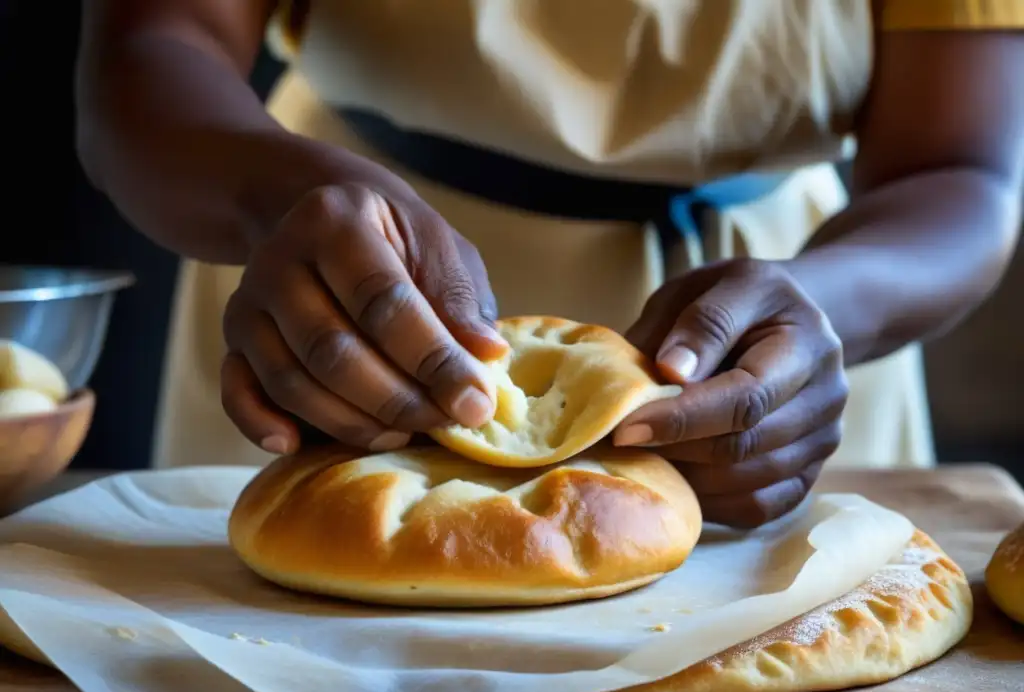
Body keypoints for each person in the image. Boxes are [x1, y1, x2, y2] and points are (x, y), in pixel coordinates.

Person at [76, 0, 1024, 528]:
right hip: (332, 297)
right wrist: (274, 194)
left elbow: (962, 170)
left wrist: (828, 305)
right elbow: (151, 44)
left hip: (792, 355)